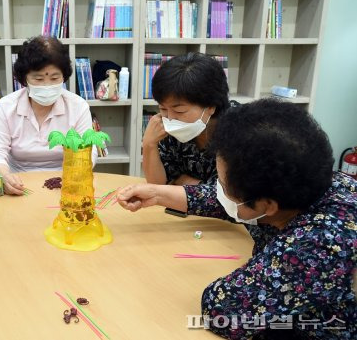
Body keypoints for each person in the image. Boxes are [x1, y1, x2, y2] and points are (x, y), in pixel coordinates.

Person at [117, 99, 356, 339]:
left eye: (222, 183)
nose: (217, 188)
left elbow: (223, 311)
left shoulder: (319, 243)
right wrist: (158, 194)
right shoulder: (301, 186)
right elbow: (227, 201)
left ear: (267, 205)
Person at [0, 36, 97, 195]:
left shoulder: (78, 106)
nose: (47, 86)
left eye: (54, 78)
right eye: (38, 78)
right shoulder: (6, 106)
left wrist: (75, 174)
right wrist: (5, 176)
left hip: (66, 182)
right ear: (25, 79)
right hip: (19, 183)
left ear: (64, 77)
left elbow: (87, 150)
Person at [142, 52, 230, 186]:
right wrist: (149, 144)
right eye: (163, 109)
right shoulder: (165, 130)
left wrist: (183, 181)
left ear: (211, 106)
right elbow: (158, 185)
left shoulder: (239, 129)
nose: (170, 119)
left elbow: (230, 197)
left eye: (179, 110)